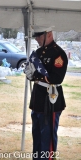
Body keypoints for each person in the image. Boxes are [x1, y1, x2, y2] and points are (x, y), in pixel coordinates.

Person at [23, 26, 68, 160]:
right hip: (38, 98)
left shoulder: (58, 54)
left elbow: (56, 78)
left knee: (47, 138)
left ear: (48, 34)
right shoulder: (38, 52)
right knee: (37, 135)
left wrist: (36, 75)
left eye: (39, 36)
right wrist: (30, 74)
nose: (36, 38)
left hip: (50, 100)